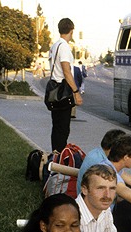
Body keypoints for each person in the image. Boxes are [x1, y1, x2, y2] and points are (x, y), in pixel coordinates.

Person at [49, 18, 82, 153]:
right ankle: (59, 162)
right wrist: (76, 91)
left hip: (54, 90)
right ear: (71, 31)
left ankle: (55, 158)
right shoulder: (64, 47)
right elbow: (67, 72)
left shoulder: (55, 45)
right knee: (63, 129)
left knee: (57, 128)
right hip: (62, 92)